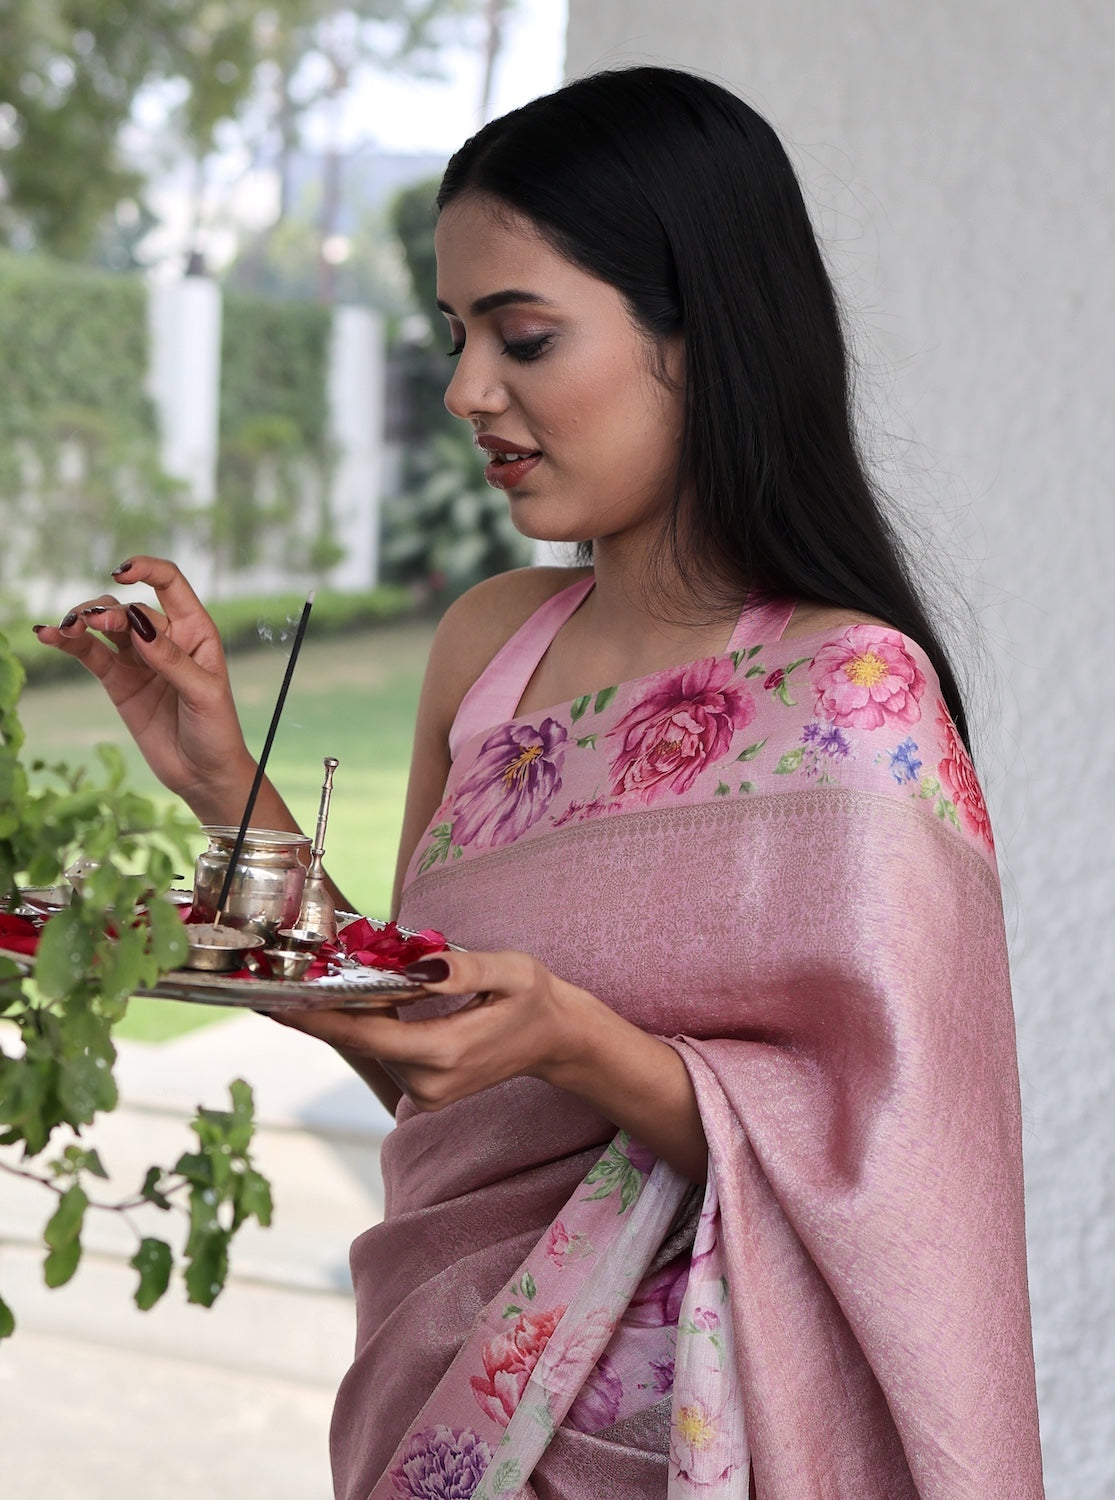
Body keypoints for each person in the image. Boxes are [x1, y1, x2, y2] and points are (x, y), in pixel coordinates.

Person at [37, 66, 1043, 1500]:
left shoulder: (851, 695)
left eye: (524, 336)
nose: (465, 391)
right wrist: (223, 783)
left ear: (703, 336)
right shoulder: (492, 647)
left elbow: (896, 1160)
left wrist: (578, 1040)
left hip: (700, 1439)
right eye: (455, 336)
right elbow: (421, 1058)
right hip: (446, 1397)